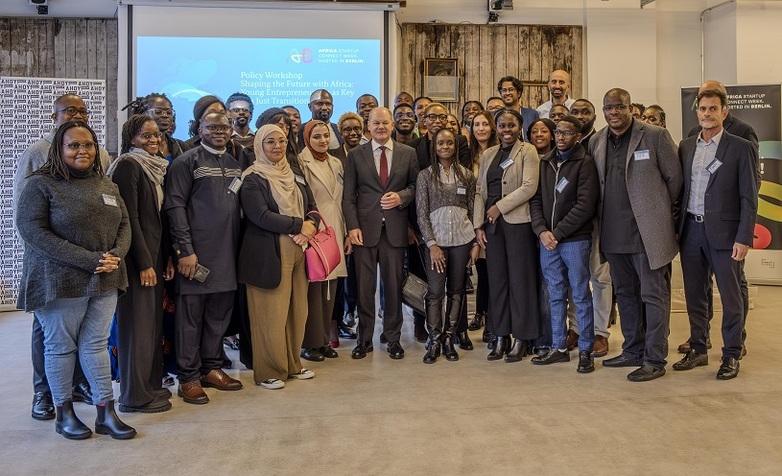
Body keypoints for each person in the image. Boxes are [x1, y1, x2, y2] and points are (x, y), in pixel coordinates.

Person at [16, 120, 135, 440]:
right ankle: (64, 414)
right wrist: (89, 260)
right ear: (59, 149)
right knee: (61, 347)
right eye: (74, 145)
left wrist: (117, 255)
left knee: (96, 345)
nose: (83, 150)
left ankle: (105, 412)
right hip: (60, 281)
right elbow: (33, 231)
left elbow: (124, 224)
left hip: (106, 278)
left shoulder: (105, 183)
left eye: (88, 144)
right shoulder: (40, 184)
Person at [13, 94, 105, 421]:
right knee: (49, 330)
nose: (76, 115)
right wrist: (41, 250)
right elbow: (24, 211)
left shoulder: (99, 153)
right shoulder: (38, 152)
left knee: (83, 331)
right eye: (68, 111)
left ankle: (78, 384)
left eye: (82, 111)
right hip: (50, 262)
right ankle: (44, 392)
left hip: (89, 261)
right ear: (55, 116)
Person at [588, 88, 682, 382]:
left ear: (630, 108)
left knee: (653, 296)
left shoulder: (655, 136)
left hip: (648, 234)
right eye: (609, 107)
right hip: (613, 234)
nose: (614, 112)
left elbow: (675, 181)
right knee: (626, 295)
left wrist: (664, 220)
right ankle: (632, 349)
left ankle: (654, 358)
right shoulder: (597, 141)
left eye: (620, 106)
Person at [673, 88, 757, 380]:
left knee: (731, 298)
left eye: (712, 108)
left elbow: (749, 197)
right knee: (696, 295)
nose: (707, 114)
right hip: (691, 231)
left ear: (724, 112)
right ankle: (698, 348)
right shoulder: (686, 146)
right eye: (702, 109)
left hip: (726, 235)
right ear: (696, 112)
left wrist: (744, 237)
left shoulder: (740, 147)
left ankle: (732, 353)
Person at [164, 112, 244, 404]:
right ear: (199, 129)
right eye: (212, 127)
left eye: (224, 126)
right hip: (195, 256)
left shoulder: (234, 164)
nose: (219, 131)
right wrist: (184, 250)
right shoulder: (187, 162)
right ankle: (188, 377)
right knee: (190, 320)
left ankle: (211, 368)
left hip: (228, 255)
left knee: (218, 317)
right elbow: (175, 207)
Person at [238, 125, 319, 389]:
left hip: (300, 248)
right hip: (268, 252)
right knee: (270, 315)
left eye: (282, 141)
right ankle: (268, 371)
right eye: (270, 142)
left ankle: (293, 364)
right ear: (259, 146)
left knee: (297, 312)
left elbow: (312, 207)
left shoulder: (294, 174)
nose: (277, 146)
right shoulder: (252, 178)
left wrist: (311, 224)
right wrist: (299, 226)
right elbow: (260, 215)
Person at [108, 114, 174, 413]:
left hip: (155, 258)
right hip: (137, 262)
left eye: (156, 134)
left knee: (151, 326)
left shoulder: (155, 167)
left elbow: (158, 218)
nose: (154, 140)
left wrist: (166, 257)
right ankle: (133, 396)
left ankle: (149, 386)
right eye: (146, 135)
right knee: (136, 328)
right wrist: (145, 262)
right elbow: (129, 218)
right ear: (131, 138)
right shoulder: (128, 165)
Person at [343, 107, 419, 360]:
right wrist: (352, 227)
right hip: (364, 232)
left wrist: (402, 196)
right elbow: (348, 196)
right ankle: (364, 340)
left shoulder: (408, 153)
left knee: (393, 288)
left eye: (385, 123)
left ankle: (393, 339)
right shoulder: (356, 155)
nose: (381, 127)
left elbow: (415, 186)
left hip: (395, 231)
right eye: (376, 123)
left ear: (392, 125)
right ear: (368, 126)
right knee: (364, 289)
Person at [529, 116, 599, 373]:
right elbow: (536, 200)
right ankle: (558, 347)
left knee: (580, 295)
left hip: (574, 240)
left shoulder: (585, 163)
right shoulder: (545, 162)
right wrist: (541, 231)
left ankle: (586, 349)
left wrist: (556, 233)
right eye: (558, 132)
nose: (560, 137)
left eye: (567, 133)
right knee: (555, 294)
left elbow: (585, 205)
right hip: (548, 242)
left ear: (578, 137)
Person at [474, 108, 541, 362]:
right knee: (497, 281)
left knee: (520, 282)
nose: (506, 130)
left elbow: (529, 187)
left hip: (517, 224)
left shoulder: (528, 151)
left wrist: (499, 208)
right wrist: (478, 225)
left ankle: (522, 337)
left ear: (519, 126)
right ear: (496, 128)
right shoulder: (489, 154)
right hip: (492, 227)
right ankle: (501, 334)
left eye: (511, 125)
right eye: (502, 125)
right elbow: (480, 191)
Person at [416, 127, 478, 363]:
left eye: (449, 143)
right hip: (437, 243)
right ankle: (434, 339)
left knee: (456, 290)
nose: (445, 147)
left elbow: (472, 210)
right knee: (435, 292)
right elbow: (421, 214)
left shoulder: (467, 175)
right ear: (434, 147)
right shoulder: (425, 176)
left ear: (455, 146)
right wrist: (432, 245)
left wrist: (474, 242)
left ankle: (449, 338)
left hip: (462, 240)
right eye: (440, 143)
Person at [298, 121, 349, 362]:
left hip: (335, 228)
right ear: (307, 139)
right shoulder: (301, 162)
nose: (322, 140)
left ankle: (324, 340)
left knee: (331, 288)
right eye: (316, 136)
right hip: (314, 229)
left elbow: (341, 200)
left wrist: (346, 233)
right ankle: (310, 343)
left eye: (326, 136)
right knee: (314, 290)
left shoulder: (336, 162)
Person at [569, 97, 612, 357]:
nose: (580, 116)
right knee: (576, 279)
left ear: (594, 117)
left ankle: (600, 332)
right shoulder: (565, 143)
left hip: (598, 220)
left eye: (585, 112)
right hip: (572, 224)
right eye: (575, 112)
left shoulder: (602, 141)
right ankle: (576, 327)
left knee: (601, 277)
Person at [466, 111, 498, 336]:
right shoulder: (467, 155)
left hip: (493, 217)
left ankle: (492, 318)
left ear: (492, 128)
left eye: (485, 124)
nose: (480, 128)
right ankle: (479, 312)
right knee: (480, 268)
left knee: (492, 270)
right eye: (476, 125)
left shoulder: (499, 152)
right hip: (471, 218)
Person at [123, 93, 183, 161]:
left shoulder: (180, 146)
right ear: (143, 114)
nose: (165, 115)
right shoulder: (138, 147)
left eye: (169, 112)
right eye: (158, 112)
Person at [497, 76, 539, 140]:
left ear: (519, 93)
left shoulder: (532, 114)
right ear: (501, 94)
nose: (507, 93)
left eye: (511, 89)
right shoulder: (495, 115)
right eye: (504, 90)